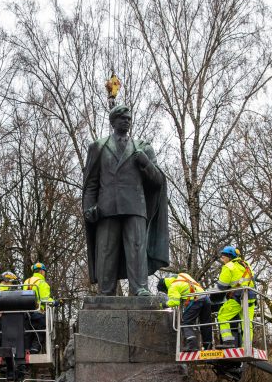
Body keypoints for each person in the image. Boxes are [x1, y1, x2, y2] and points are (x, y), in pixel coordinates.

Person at [82, 104, 169, 296]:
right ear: (113, 122)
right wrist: (88, 207)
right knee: (106, 250)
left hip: (135, 207)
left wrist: (145, 162)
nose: (127, 121)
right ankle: (105, 292)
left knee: (137, 249)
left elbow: (158, 181)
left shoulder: (143, 147)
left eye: (129, 118)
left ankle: (140, 288)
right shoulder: (98, 146)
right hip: (106, 209)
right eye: (122, 118)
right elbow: (91, 183)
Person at [157, 272, 212, 351]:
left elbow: (175, 302)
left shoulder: (172, 287)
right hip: (206, 298)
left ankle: (192, 345)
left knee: (186, 323)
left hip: (196, 299)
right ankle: (208, 346)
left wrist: (164, 305)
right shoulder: (183, 275)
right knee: (206, 323)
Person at [214, 246, 256, 348]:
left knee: (222, 316)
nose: (222, 259)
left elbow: (221, 286)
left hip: (238, 297)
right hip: (251, 296)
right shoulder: (246, 265)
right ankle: (247, 346)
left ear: (229, 257)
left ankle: (228, 341)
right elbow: (252, 280)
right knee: (247, 322)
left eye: (223, 257)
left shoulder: (229, 266)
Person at [23, 262, 54, 354]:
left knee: (28, 334)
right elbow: (45, 299)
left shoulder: (26, 281)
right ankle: (34, 351)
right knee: (39, 334)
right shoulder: (42, 283)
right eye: (44, 271)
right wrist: (55, 302)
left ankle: (26, 352)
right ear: (41, 272)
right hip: (38, 313)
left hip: (26, 313)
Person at [0, 270, 19, 348]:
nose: (12, 284)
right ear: (6, 280)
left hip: (9, 316)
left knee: (8, 336)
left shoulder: (10, 291)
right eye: (11, 282)